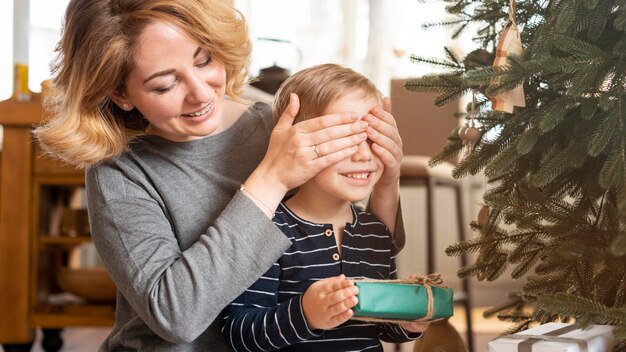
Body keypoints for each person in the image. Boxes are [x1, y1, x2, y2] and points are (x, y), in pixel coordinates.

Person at [32, 1, 406, 351]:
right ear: (119, 93)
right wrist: (270, 180)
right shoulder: (121, 172)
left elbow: (358, 244)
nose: (200, 93)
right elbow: (176, 317)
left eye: (204, 60)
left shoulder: (281, 128)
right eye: (165, 84)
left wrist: (387, 180)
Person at [221, 64, 428, 352]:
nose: (364, 155)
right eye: (345, 139)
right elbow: (239, 332)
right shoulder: (268, 229)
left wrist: (407, 322)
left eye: (372, 138)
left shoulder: (375, 231)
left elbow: (381, 325)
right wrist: (305, 314)